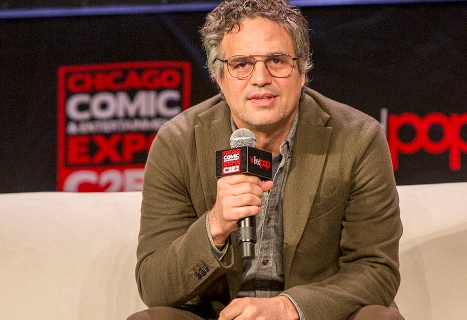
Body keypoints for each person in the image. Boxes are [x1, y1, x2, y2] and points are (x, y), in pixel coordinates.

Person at [128, 0, 404, 319]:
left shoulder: (358, 138)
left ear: (302, 71)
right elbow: (155, 286)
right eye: (242, 64)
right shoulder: (177, 142)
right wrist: (215, 225)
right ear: (218, 76)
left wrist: (288, 308)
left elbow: (376, 270)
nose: (261, 78)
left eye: (277, 60)